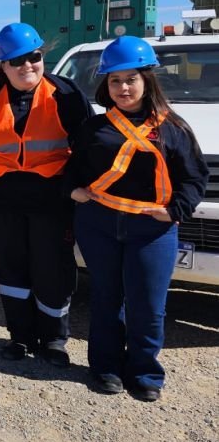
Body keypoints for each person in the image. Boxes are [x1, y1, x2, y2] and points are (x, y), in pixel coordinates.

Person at [66, 36, 207, 401]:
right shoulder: (94, 128)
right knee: (107, 298)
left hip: (151, 230)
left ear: (147, 80)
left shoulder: (173, 127)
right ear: (106, 84)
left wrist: (174, 211)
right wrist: (73, 190)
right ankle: (106, 368)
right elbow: (72, 169)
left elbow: (194, 178)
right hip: (99, 225)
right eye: (115, 80)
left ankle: (145, 372)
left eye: (131, 79)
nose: (123, 87)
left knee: (148, 305)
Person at [0, 23, 93, 365]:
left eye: (33, 57)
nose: (27, 66)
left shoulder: (65, 94)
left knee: (52, 268)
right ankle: (20, 336)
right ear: (3, 66)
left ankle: (54, 340)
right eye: (16, 61)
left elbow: (86, 145)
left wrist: (71, 184)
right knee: (11, 267)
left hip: (52, 200)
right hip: (2, 200)